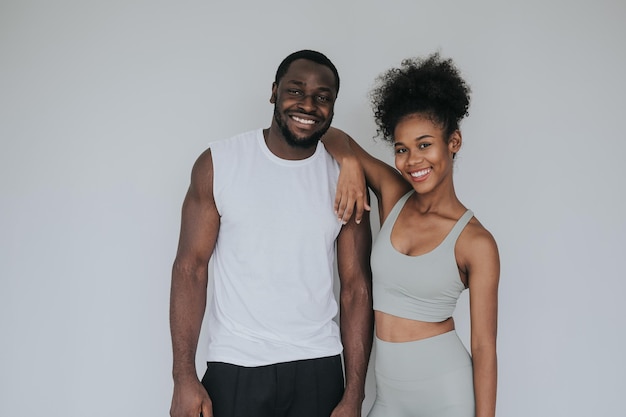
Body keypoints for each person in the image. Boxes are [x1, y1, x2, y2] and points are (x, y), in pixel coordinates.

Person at [169, 49, 373, 417]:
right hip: (236, 365)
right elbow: (190, 269)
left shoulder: (345, 181)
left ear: (333, 106)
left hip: (319, 365)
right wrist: (183, 377)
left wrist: (354, 394)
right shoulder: (220, 164)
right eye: (296, 91)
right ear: (274, 91)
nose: (308, 105)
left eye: (322, 97)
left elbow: (356, 287)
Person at [324, 53, 500, 417]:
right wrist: (352, 163)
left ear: (454, 142)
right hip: (388, 398)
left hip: (446, 394)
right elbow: (331, 134)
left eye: (425, 145)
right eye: (401, 149)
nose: (412, 161)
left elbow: (484, 347)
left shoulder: (476, 242)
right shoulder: (394, 196)